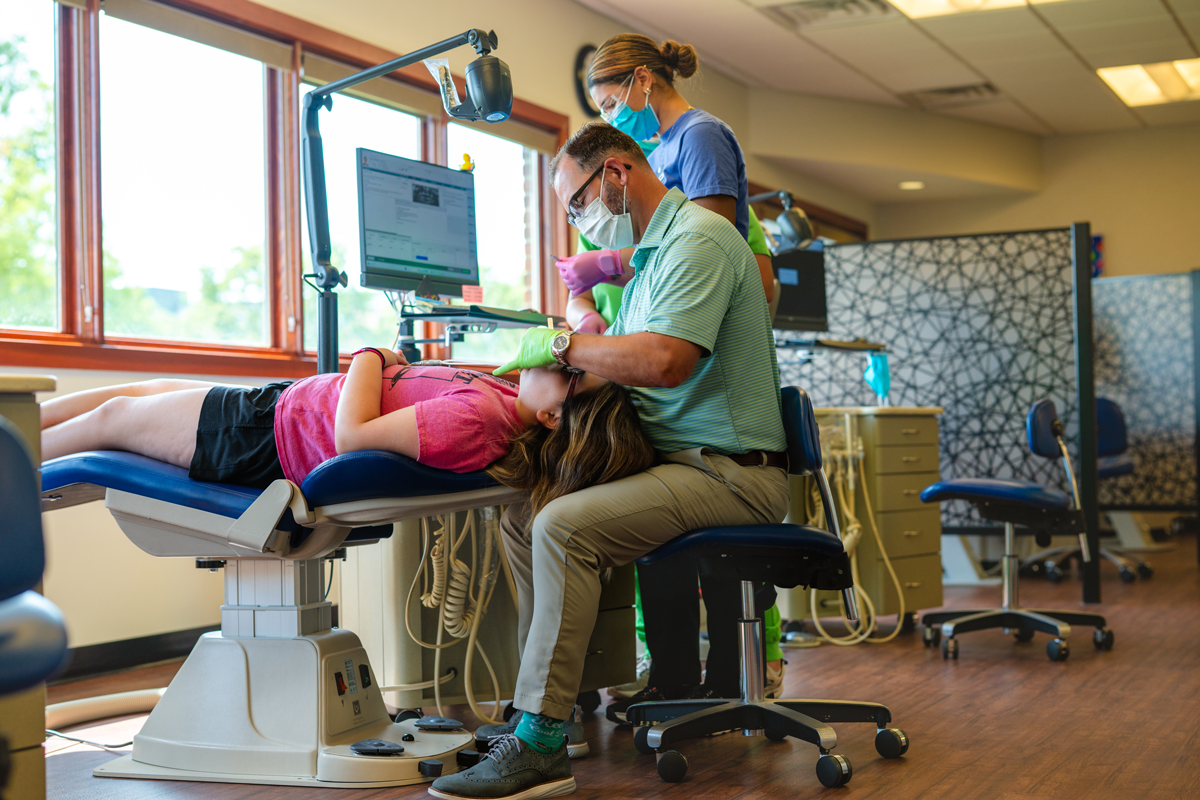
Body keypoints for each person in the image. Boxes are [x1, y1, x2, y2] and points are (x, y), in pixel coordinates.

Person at [427, 122, 788, 800]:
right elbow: (610, 366)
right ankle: (555, 710)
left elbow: (662, 360)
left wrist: (561, 346)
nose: (579, 222)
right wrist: (510, 381)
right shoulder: (651, 263)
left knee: (564, 527)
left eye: (577, 203)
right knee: (526, 506)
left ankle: (536, 741)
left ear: (617, 174)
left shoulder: (700, 240)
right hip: (677, 462)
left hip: (732, 473)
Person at [558, 33, 786, 716]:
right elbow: (656, 253)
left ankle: (730, 679)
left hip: (721, 414)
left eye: (608, 100)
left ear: (640, 81)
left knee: (657, 511)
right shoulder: (656, 152)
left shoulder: (700, 137)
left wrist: (604, 278)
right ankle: (676, 681)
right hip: (679, 366)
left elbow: (704, 243)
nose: (611, 112)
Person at [39, 350, 654, 513]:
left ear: (553, 417)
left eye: (571, 372)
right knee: (138, 396)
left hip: (265, 440)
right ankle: (21, 421)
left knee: (113, 420)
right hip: (278, 410)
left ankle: (16, 465)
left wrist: (367, 358)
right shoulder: (502, 392)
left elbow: (354, 436)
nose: (560, 356)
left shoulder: (482, 419)